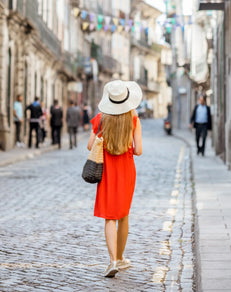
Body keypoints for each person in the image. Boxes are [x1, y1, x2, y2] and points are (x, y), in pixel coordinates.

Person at [87, 80, 143, 278]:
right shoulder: (134, 118)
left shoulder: (101, 118)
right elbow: (138, 150)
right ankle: (120, 258)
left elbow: (89, 146)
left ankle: (112, 261)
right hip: (126, 169)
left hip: (108, 171)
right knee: (123, 215)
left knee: (109, 217)